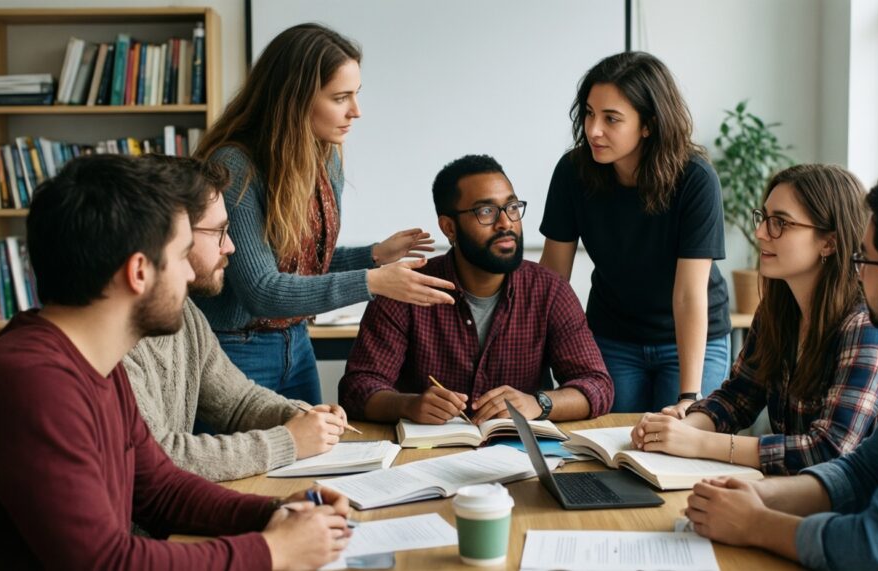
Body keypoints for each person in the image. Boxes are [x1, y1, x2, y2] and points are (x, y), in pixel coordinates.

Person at [0, 155, 351, 569]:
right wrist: (273, 551)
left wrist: (276, 513)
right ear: (139, 272)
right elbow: (106, 563)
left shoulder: (100, 361)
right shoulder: (34, 382)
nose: (190, 276)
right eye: (181, 255)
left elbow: (161, 488)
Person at [685, 173, 878, 570]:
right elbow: (861, 470)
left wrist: (755, 523)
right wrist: (758, 496)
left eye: (863, 259)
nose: (855, 271)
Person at [193, 23, 455, 404]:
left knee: (314, 460)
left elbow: (301, 266)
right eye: (340, 97)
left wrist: (373, 255)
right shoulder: (236, 167)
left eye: (356, 94)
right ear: (294, 98)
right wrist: (373, 280)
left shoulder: (324, 156)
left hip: (297, 344)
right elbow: (263, 291)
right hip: (235, 350)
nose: (356, 111)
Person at [631, 164, 878, 475]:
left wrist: (697, 443)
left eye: (780, 223)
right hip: (796, 493)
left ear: (829, 242)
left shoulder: (868, 327)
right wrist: (677, 428)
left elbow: (828, 449)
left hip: (852, 510)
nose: (761, 232)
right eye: (763, 218)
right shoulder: (778, 310)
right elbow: (740, 395)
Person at [339, 155, 614, 423]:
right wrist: (408, 405)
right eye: (486, 212)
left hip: (518, 456)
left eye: (512, 207)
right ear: (449, 228)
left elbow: (597, 385)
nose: (506, 223)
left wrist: (538, 403)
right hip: (427, 457)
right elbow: (357, 387)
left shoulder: (550, 290)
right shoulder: (406, 288)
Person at [123, 156, 349, 482]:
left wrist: (299, 416)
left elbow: (238, 402)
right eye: (219, 231)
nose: (230, 246)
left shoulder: (186, 313)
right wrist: (288, 441)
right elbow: (160, 458)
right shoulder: (112, 340)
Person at [539, 51, 730, 414]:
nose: (594, 129)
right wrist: (543, 364)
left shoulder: (695, 180)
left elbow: (689, 295)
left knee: (679, 446)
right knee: (606, 445)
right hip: (613, 336)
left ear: (648, 124)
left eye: (611, 119)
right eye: (590, 113)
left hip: (686, 339)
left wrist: (688, 398)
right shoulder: (573, 172)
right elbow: (553, 277)